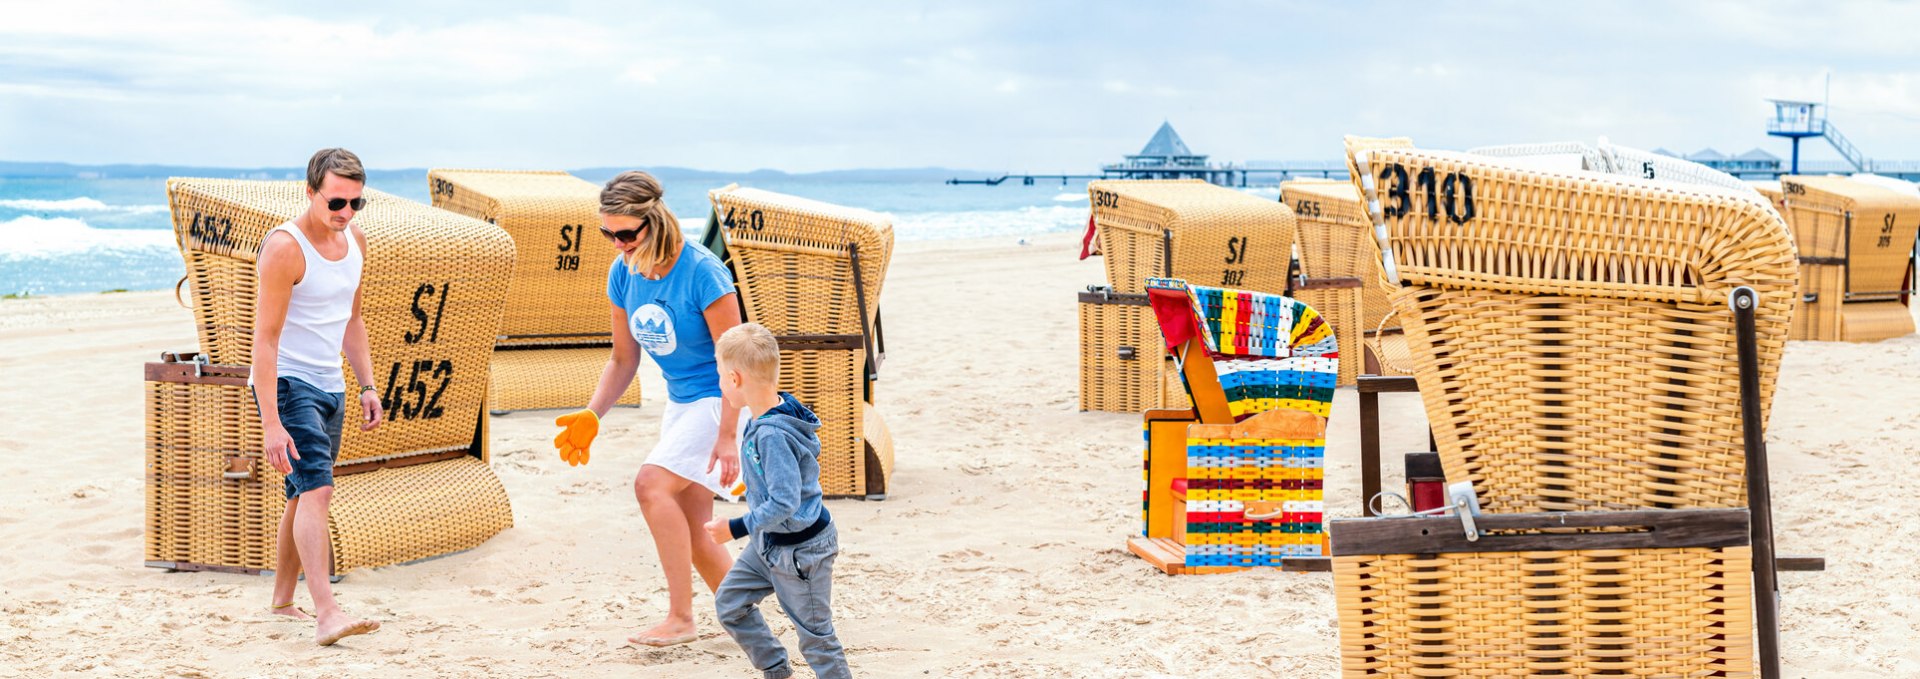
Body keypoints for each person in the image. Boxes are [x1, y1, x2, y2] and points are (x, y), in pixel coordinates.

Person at [552, 170, 745, 647]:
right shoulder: (623, 272)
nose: (616, 243)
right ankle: (744, 613)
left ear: (654, 221)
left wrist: (728, 436)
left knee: (649, 485)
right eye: (607, 233)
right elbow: (623, 358)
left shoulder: (702, 271)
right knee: (697, 527)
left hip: (720, 398)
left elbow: (737, 363)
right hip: (682, 403)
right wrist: (592, 414)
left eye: (625, 233)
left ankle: (681, 617)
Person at [253, 147, 383, 646]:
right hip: (288, 383)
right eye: (335, 203)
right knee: (320, 490)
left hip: (332, 383)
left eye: (355, 204)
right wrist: (271, 421)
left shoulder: (356, 241)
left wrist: (366, 384)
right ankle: (327, 611)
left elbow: (352, 320)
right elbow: (264, 339)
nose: (345, 214)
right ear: (309, 193)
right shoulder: (285, 248)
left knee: (302, 491)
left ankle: (283, 600)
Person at [705, 323, 849, 679]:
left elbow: (784, 502)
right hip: (768, 542)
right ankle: (775, 670)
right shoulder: (774, 410)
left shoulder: (771, 433)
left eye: (721, 375)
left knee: (816, 639)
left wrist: (734, 527)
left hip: (802, 553)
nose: (721, 383)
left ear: (735, 379)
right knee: (731, 604)